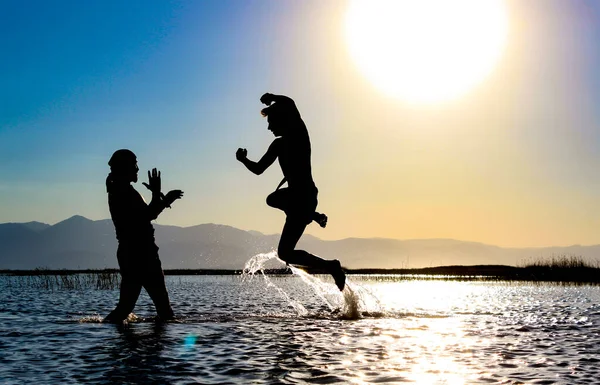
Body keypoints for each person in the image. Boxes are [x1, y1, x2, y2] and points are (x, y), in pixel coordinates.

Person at [236, 93, 346, 291]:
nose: (269, 128)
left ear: (282, 119)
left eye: (271, 122)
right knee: (285, 253)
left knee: (273, 198)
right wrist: (244, 160)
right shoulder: (277, 145)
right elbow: (259, 169)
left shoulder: (299, 136)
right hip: (297, 203)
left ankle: (312, 215)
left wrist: (272, 96)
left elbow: (290, 103)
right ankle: (331, 266)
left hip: (305, 197)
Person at [103, 149, 183, 323]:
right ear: (125, 168)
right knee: (157, 311)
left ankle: (112, 334)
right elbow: (147, 216)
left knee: (128, 309)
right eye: (134, 165)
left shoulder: (121, 189)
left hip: (137, 253)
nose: (138, 169)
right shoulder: (122, 191)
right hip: (139, 254)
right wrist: (159, 195)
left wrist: (162, 199)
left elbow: (147, 214)